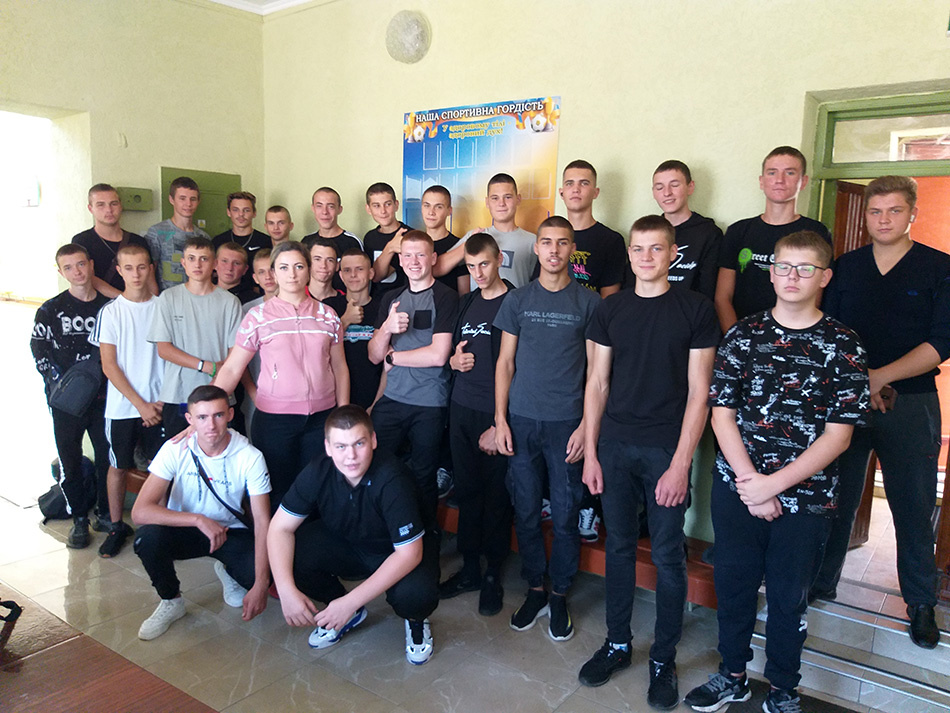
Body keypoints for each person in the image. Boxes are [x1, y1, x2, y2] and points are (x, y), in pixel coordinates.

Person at [684, 231, 868, 713]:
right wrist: (752, 485)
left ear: (824, 277)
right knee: (734, 586)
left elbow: (839, 436)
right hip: (738, 489)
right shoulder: (743, 335)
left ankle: (784, 687)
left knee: (789, 598)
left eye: (806, 268)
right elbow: (721, 414)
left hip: (806, 499)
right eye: (784, 266)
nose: (792, 276)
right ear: (771, 273)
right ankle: (733, 675)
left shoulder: (844, 344)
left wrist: (773, 487)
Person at [576, 215, 719, 709]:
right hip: (614, 446)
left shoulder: (695, 309)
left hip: (665, 450)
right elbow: (597, 383)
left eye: (656, 248)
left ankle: (663, 658)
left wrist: (680, 464)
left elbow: (700, 393)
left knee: (667, 555)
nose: (645, 257)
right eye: (638, 249)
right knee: (617, 547)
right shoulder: (610, 308)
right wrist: (591, 451)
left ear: (673, 253)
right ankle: (617, 643)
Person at [810, 176, 949, 649]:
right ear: (865, 215)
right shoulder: (846, 267)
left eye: (894, 210)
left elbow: (942, 341)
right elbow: (826, 328)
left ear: (912, 214)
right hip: (845, 402)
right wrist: (857, 382)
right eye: (875, 211)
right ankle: (821, 581)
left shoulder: (938, 267)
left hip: (911, 402)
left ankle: (921, 604)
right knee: (835, 497)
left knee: (913, 505)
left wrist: (879, 377)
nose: (884, 219)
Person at [494, 216, 600, 641]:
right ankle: (535, 588)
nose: (554, 250)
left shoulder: (589, 302)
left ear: (572, 249)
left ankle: (559, 594)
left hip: (567, 424)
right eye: (547, 242)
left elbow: (596, 373)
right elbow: (505, 363)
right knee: (524, 510)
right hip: (520, 419)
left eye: (562, 243)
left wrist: (587, 427)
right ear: (536, 248)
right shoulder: (517, 299)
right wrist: (499, 419)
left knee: (566, 513)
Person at [267, 405, 439, 665]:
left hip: (396, 552)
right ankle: (347, 610)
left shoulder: (392, 478)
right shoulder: (318, 470)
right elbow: (279, 528)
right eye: (341, 446)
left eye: (359, 443)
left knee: (416, 595)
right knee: (293, 555)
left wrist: (349, 601)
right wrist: (286, 590)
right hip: (351, 542)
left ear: (373, 440)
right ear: (328, 447)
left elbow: (409, 554)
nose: (351, 456)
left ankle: (415, 621)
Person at [213, 241, 349, 510]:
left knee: (317, 489)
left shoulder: (328, 316)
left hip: (322, 418)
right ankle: (276, 537)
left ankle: (310, 538)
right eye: (284, 268)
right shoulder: (257, 317)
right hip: (274, 421)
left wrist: (343, 412)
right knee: (277, 491)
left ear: (308, 270)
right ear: (274, 273)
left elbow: (340, 367)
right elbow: (232, 368)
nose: (292, 274)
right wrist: (206, 410)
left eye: (299, 266)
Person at [131, 385, 271, 641]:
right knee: (147, 539)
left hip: (230, 531)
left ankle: (227, 570)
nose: (211, 425)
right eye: (202, 417)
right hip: (186, 529)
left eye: (218, 415)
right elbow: (140, 512)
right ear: (190, 419)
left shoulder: (250, 456)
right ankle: (171, 601)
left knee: (260, 573)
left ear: (230, 414)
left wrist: (261, 585)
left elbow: (262, 521)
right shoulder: (175, 448)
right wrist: (198, 519)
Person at [438, 233, 515, 615]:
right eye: (471, 267)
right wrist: (453, 362)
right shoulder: (466, 302)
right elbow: (452, 352)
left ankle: (492, 575)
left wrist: (501, 422)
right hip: (462, 409)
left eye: (484, 263)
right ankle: (470, 568)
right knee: (467, 492)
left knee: (496, 497)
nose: (478, 273)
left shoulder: (515, 302)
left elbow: (518, 366)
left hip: (496, 414)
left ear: (499, 258)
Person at [368, 230, 458, 531]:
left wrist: (394, 357)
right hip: (392, 398)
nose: (414, 261)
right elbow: (374, 355)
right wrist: (387, 328)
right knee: (374, 467)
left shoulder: (445, 296)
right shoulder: (391, 298)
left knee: (423, 477)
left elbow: (438, 355)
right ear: (401, 260)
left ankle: (424, 546)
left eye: (421, 254)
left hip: (429, 403)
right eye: (407, 255)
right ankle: (380, 536)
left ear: (433, 258)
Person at [88, 244, 165, 558]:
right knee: (118, 466)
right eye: (129, 268)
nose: (136, 274)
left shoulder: (163, 307)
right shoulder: (111, 312)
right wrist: (140, 405)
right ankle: (117, 526)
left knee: (161, 469)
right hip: (123, 408)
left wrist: (159, 401)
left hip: (160, 406)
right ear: (119, 271)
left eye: (142, 267)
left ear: (151, 268)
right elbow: (109, 366)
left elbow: (171, 357)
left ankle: (159, 528)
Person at [31, 244, 110, 547]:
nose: (77, 272)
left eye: (81, 264)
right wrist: (59, 387)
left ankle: (105, 513)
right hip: (66, 404)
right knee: (70, 460)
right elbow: (39, 350)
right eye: (68, 267)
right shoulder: (50, 309)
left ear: (91, 265)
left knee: (107, 459)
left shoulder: (109, 308)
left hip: (104, 399)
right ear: (60, 272)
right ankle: (78, 518)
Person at [715, 146, 831, 333]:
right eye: (772, 172)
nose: (779, 180)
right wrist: (737, 338)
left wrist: (791, 338)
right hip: (742, 335)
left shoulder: (816, 232)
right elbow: (722, 297)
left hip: (794, 336)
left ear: (803, 182)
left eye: (790, 172)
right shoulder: (739, 231)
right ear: (761, 181)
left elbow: (815, 295)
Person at [148, 237, 242, 437]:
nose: (197, 265)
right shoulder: (168, 298)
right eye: (191, 258)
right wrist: (206, 366)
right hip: (179, 394)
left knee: (218, 451)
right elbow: (164, 349)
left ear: (214, 264)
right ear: (183, 263)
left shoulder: (230, 302)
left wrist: (217, 378)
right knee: (180, 451)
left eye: (204, 259)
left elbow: (236, 353)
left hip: (218, 393)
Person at [435, 173, 538, 288]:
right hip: (480, 300)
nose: (501, 203)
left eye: (507, 197)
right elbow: (437, 268)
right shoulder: (475, 236)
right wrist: (469, 244)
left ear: (518, 199)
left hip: (518, 300)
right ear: (487, 202)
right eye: (495, 198)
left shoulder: (532, 241)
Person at [651, 160, 722, 300]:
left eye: (674, 185)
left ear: (690, 187)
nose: (667, 193)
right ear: (653, 192)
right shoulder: (647, 233)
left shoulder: (709, 233)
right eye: (659, 187)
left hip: (691, 311)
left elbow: (707, 290)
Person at [324, 249, 384, 410]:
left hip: (374, 400)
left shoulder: (383, 307)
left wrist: (376, 405)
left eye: (359, 269)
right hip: (334, 401)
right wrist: (345, 320)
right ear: (341, 275)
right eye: (347, 270)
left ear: (371, 273)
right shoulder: (328, 307)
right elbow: (318, 349)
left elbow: (388, 363)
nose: (353, 275)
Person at [72, 183, 156, 298]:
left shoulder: (138, 241)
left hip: (136, 305)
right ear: (90, 209)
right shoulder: (82, 241)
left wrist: (150, 303)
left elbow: (150, 282)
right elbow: (88, 277)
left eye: (114, 204)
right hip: (97, 306)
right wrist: (124, 300)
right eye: (101, 205)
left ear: (120, 206)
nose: (109, 210)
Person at [555, 160, 626, 296]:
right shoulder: (550, 237)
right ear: (561, 193)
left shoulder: (611, 241)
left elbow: (609, 300)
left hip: (593, 310)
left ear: (595, 192)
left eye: (584, 183)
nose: (576, 189)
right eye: (569, 183)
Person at [145, 176, 211, 292]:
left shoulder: (204, 237)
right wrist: (155, 298)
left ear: (198, 201)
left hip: (195, 297)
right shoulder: (157, 232)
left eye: (193, 199)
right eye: (182, 198)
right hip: (166, 297)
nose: (188, 204)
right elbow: (149, 271)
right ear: (171, 199)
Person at [239, 248, 278, 440]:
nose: (268, 276)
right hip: (257, 394)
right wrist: (253, 393)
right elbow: (240, 361)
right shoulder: (248, 310)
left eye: (272, 270)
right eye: (261, 272)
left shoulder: (300, 307)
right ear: (255, 278)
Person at [212, 191, 269, 297]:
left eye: (246, 210)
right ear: (228, 212)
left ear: (254, 213)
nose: (241, 214)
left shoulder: (265, 241)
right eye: (235, 210)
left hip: (256, 297)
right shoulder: (218, 241)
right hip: (222, 295)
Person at [364, 182, 413, 292]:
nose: (383, 211)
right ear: (368, 209)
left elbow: (378, 275)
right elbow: (373, 276)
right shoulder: (369, 238)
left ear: (396, 205)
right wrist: (390, 247)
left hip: (403, 299)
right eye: (376, 206)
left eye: (388, 204)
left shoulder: (409, 235)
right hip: (377, 300)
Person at [421, 185, 468, 293]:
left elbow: (464, 295)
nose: (431, 212)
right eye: (427, 205)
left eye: (438, 207)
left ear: (449, 211)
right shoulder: (412, 245)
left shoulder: (459, 245)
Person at [302, 187, 363, 259]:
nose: (325, 212)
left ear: (339, 209)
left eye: (331, 206)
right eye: (319, 206)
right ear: (313, 208)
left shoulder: (352, 242)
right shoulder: (306, 242)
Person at [307, 238, 345, 302]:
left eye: (330, 260)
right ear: (308, 263)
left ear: (337, 266)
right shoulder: (295, 296)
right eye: (317, 259)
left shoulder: (346, 301)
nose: (323, 265)